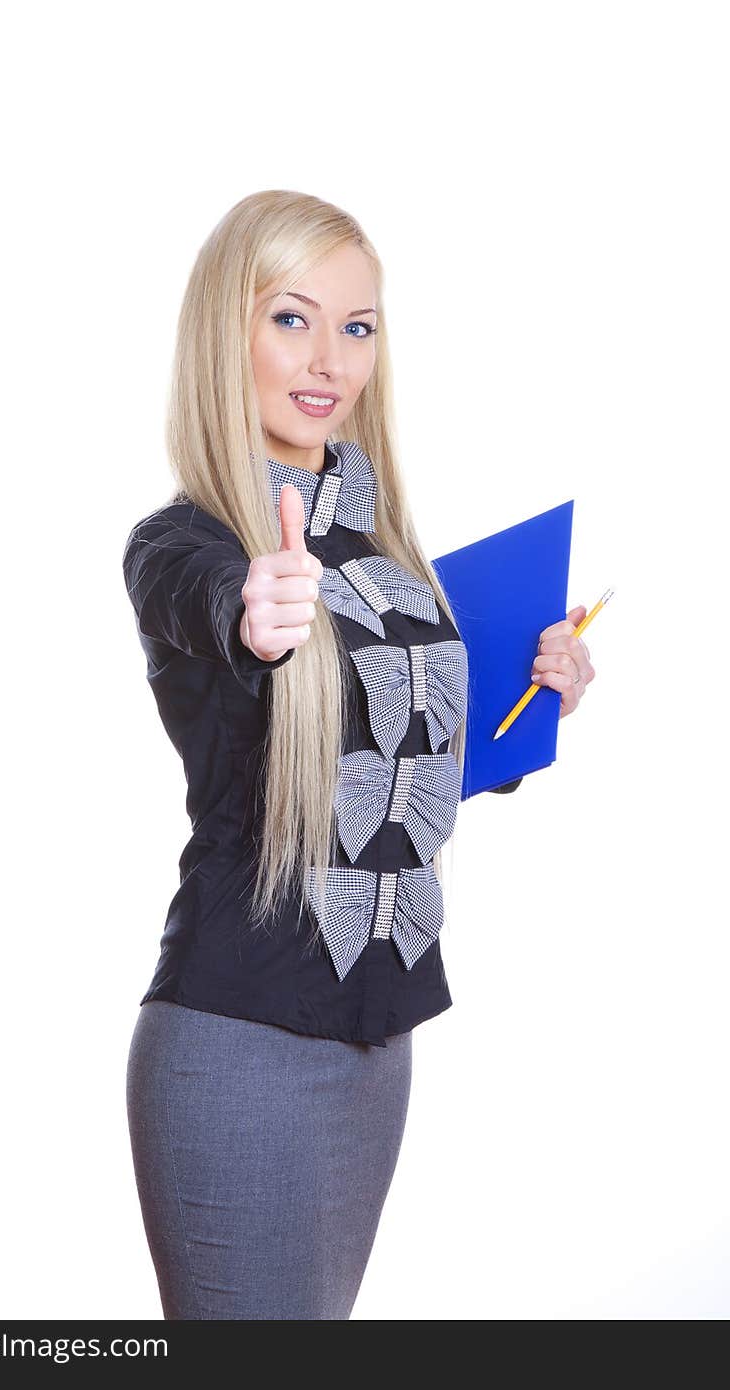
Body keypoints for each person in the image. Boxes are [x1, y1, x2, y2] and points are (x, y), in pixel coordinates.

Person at [122, 190, 596, 1320]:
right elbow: (210, 606)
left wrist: (528, 700)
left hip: (376, 1045)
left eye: (358, 324)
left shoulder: (391, 555)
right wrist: (256, 610)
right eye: (291, 317)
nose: (328, 356)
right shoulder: (184, 546)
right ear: (223, 335)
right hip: (236, 1047)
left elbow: (403, 768)